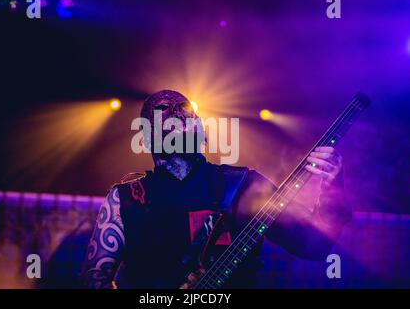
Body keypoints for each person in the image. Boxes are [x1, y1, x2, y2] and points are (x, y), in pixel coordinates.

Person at [82, 90, 350, 289]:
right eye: (165, 109)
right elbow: (92, 283)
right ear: (146, 136)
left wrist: (331, 187)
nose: (178, 114)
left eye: (186, 109)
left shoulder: (244, 185)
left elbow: (313, 247)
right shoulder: (126, 198)